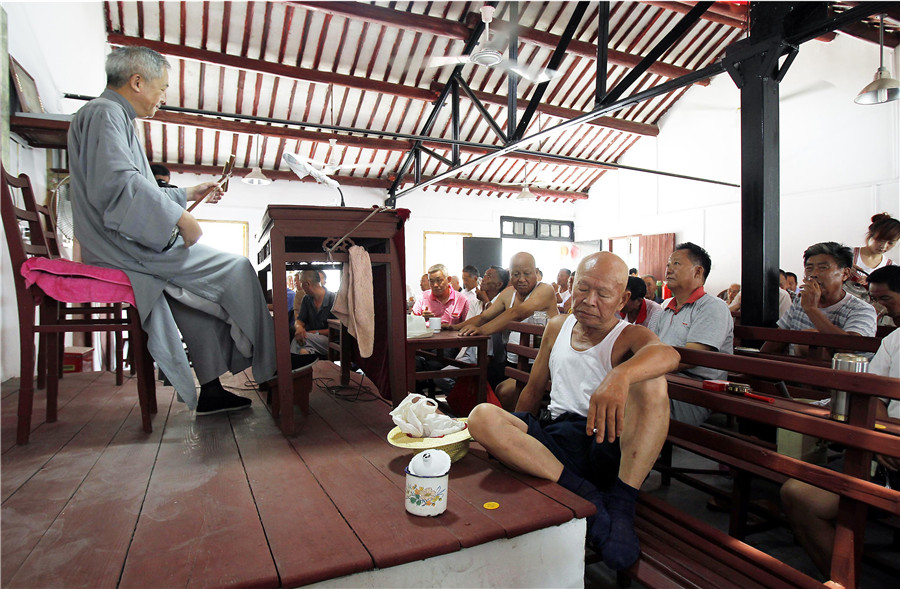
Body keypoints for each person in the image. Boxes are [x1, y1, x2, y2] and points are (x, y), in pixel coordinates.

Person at [67, 46, 276, 415]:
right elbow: (117, 184)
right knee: (238, 267)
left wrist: (186, 194)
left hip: (116, 242)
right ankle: (274, 368)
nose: (163, 98)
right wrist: (179, 218)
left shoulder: (108, 114)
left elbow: (131, 185)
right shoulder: (105, 113)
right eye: (161, 88)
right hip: (122, 248)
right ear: (137, 82)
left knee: (190, 298)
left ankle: (210, 391)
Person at [466, 252, 679, 570]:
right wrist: (513, 435)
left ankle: (621, 502)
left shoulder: (628, 335)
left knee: (652, 383)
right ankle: (588, 495)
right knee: (481, 416)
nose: (589, 301)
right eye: (582, 288)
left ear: (621, 300)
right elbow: (534, 390)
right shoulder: (558, 325)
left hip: (603, 442)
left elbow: (668, 355)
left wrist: (621, 374)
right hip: (556, 442)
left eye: (603, 294)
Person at [780, 317, 899, 579]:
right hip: (888, 454)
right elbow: (872, 395)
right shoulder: (896, 338)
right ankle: (847, 582)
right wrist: (884, 436)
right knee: (798, 495)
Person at [453, 252, 559, 409]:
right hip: (513, 362)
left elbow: (517, 313)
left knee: (504, 391)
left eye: (527, 274)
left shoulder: (545, 290)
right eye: (516, 274)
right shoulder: (509, 293)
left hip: (540, 366)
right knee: (483, 380)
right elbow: (484, 317)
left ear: (536, 272)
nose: (521, 279)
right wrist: (455, 327)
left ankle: (515, 426)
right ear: (510, 275)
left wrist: (481, 331)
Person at [649, 242, 734, 426]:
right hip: (662, 382)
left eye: (676, 264)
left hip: (694, 392)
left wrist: (641, 369)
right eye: (668, 265)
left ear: (697, 272)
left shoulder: (712, 307)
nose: (668, 270)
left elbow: (692, 357)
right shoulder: (666, 309)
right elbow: (648, 348)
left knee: (629, 392)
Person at [761, 242, 877, 358]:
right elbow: (779, 339)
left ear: (845, 274)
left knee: (811, 337)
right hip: (794, 371)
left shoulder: (862, 309)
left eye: (823, 268)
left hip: (836, 374)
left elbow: (850, 348)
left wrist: (811, 310)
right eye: (809, 268)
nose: (814, 274)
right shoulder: (801, 300)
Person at [846, 213, 899, 299]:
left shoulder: (891, 268)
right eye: (880, 240)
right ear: (870, 235)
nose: (884, 246)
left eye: (891, 243)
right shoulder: (847, 253)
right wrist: (843, 269)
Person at [292, 270, 336, 356]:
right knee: (303, 350)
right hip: (312, 340)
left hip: (331, 341)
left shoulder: (333, 299)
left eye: (301, 283)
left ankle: (289, 365)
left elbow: (338, 330)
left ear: (307, 284)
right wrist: (298, 327)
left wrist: (315, 333)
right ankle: (305, 364)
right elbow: (300, 320)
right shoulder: (306, 299)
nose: (300, 286)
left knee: (301, 339)